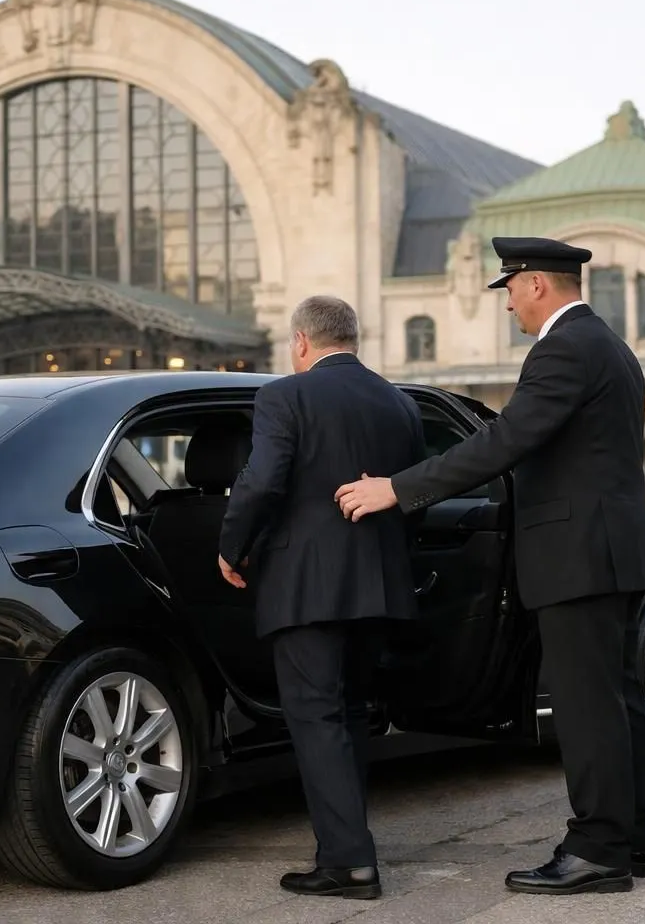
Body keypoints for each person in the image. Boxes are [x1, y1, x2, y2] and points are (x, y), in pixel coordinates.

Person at [334, 237, 645, 895]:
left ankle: (598, 849)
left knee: (585, 707)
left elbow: (505, 441)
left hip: (580, 554)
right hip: (613, 549)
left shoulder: (565, 348)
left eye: (510, 287)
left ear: (538, 284)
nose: (508, 300)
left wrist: (395, 489)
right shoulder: (609, 345)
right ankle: (635, 843)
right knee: (619, 701)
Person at [217, 294, 425, 900]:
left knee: (317, 720)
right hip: (379, 586)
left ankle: (350, 863)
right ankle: (341, 846)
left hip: (307, 588)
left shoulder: (285, 395)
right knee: (350, 717)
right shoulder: (401, 404)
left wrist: (233, 546)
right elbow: (412, 493)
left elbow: (261, 482)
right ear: (352, 339)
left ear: (301, 343)